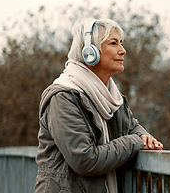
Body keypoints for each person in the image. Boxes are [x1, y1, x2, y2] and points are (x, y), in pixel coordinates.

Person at [35, 18, 163, 193]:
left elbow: (131, 127)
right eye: (113, 43)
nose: (123, 50)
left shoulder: (111, 97)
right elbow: (85, 160)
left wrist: (144, 136)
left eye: (121, 43)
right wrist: (135, 141)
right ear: (90, 52)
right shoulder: (63, 98)